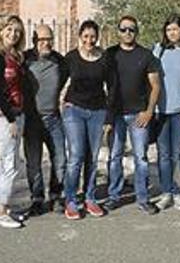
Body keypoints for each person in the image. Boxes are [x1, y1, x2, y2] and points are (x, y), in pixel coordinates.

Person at [105, 15, 161, 215]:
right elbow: (94, 78)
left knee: (141, 158)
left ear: (137, 32)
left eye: (132, 29)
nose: (128, 33)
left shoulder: (146, 55)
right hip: (115, 114)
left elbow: (156, 86)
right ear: (118, 31)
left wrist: (148, 111)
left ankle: (143, 198)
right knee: (114, 156)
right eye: (124, 29)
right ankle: (113, 196)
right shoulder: (110, 54)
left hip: (139, 114)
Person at [62, 20, 111, 220]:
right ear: (80, 37)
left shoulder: (104, 58)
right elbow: (59, 81)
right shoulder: (71, 58)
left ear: (97, 37)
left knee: (92, 156)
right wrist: (60, 102)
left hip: (98, 111)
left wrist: (109, 115)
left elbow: (112, 86)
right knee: (76, 156)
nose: (89, 40)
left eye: (92, 36)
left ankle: (90, 198)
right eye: (85, 36)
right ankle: (71, 200)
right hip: (74, 110)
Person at [151, 14, 180, 211]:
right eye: (168, 29)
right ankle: (166, 192)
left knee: (177, 154)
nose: (171, 33)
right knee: (163, 154)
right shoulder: (158, 51)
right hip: (161, 110)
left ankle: (178, 192)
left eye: (175, 29)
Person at [0, 15, 28, 229]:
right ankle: (1, 212)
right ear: (1, 31)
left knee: (6, 163)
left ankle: (2, 206)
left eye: (17, 31)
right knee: (10, 165)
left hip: (18, 114)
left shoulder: (17, 57)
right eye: (9, 30)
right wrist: (11, 118)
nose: (13, 34)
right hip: (4, 119)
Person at [22, 24, 69, 216]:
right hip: (31, 120)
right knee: (33, 162)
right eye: (42, 40)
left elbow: (65, 79)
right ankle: (37, 199)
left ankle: (56, 196)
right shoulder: (25, 60)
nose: (46, 43)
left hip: (53, 118)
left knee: (60, 159)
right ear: (34, 41)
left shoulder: (60, 61)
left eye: (49, 39)